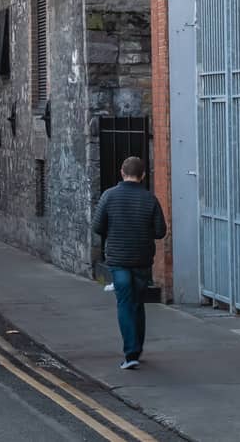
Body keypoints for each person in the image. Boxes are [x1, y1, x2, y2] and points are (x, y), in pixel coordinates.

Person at [93, 156, 168, 370]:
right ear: (143, 175)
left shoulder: (109, 196)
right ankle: (137, 348)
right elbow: (160, 231)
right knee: (137, 302)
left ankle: (130, 353)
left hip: (118, 259)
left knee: (124, 303)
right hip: (142, 258)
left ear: (121, 172)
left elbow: (98, 226)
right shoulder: (149, 199)